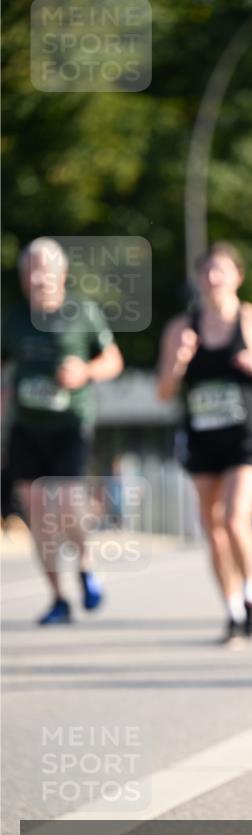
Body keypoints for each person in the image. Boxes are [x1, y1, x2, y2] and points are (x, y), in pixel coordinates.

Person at [157, 242, 252, 645]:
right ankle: (232, 612)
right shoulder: (181, 328)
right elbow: (163, 392)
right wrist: (179, 363)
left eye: (221, 270)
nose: (213, 278)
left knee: (234, 519)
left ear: (238, 276)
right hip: (202, 436)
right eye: (206, 271)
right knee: (213, 529)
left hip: (246, 434)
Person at [1, 238, 124, 623]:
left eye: (45, 270)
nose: (38, 278)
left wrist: (85, 371)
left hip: (70, 425)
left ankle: (85, 567)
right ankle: (58, 598)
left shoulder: (82, 313)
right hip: (26, 427)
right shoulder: (13, 319)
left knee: (69, 505)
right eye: (30, 270)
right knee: (37, 513)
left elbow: (113, 361)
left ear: (62, 274)